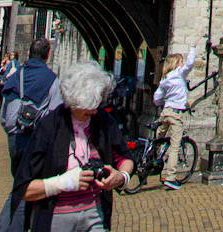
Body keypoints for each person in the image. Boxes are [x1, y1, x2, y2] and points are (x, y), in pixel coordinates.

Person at [12, 60, 135, 232]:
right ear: (72, 101)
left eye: (97, 105)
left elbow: (124, 158)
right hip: (55, 217)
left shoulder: (104, 121)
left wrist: (122, 177)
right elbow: (23, 189)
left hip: (95, 214)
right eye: (87, 107)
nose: (93, 111)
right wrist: (63, 183)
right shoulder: (48, 127)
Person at [2, 40, 61, 176]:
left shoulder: (15, 77)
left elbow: (5, 115)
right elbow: (56, 113)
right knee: (34, 186)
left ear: (29, 54)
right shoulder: (52, 79)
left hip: (15, 137)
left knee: (19, 182)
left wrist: (11, 130)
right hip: (38, 138)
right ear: (49, 54)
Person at [151, 44, 196, 189]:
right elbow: (190, 64)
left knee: (159, 137)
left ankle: (151, 160)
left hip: (165, 112)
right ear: (177, 64)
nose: (182, 64)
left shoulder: (165, 79)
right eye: (180, 61)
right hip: (176, 114)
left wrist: (162, 101)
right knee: (175, 146)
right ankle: (170, 177)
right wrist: (193, 48)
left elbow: (157, 99)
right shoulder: (179, 73)